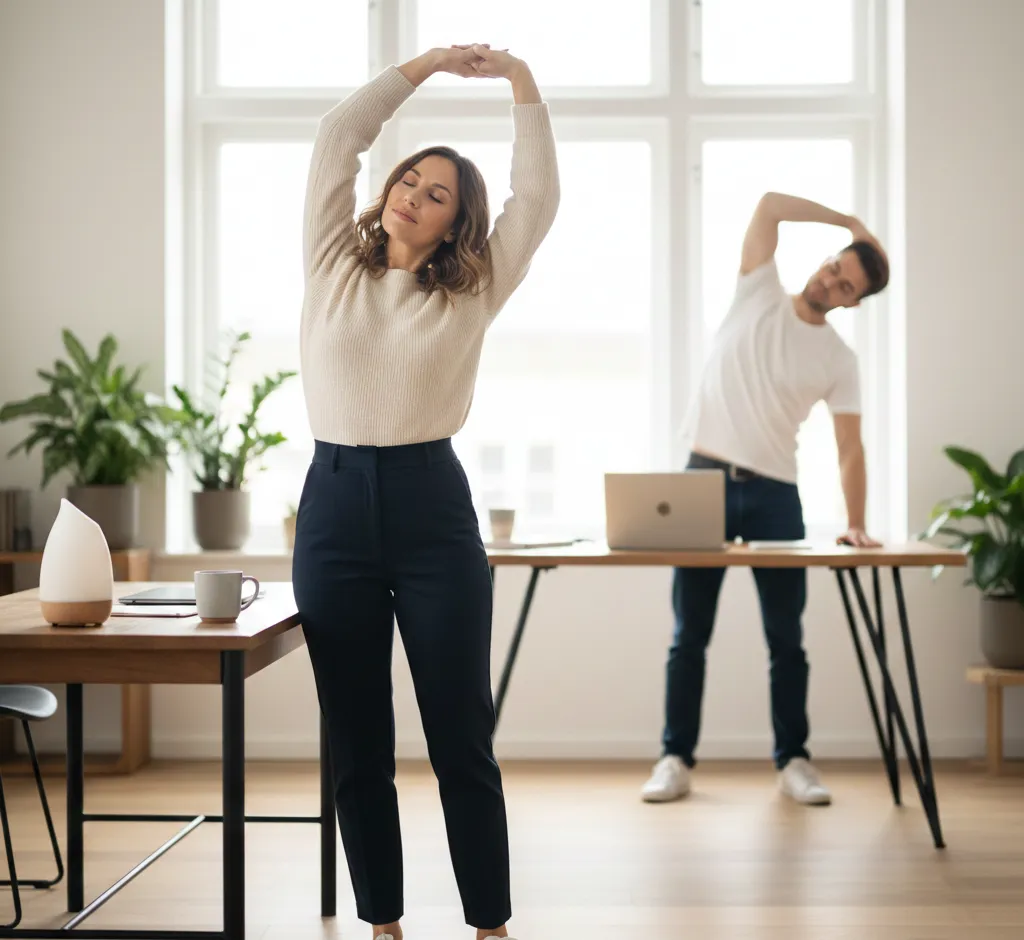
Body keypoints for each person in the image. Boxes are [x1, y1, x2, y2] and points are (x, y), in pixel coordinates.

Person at [291, 43, 558, 940]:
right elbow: (338, 136)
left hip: (431, 508)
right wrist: (429, 66)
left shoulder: (474, 289)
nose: (412, 193)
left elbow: (539, 200)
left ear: (455, 226)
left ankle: (490, 924)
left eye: (437, 193)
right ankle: (382, 923)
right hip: (330, 506)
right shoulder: (332, 262)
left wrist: (521, 83)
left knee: (459, 737)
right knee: (358, 741)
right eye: (409, 177)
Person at [641, 192, 889, 807]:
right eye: (835, 266)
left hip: (777, 496)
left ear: (853, 303)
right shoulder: (758, 290)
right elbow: (770, 206)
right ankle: (675, 757)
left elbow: (850, 448)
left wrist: (856, 523)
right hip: (704, 481)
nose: (831, 282)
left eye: (845, 286)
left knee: (786, 639)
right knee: (687, 634)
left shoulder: (839, 358)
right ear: (827, 261)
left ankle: (794, 759)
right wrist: (851, 224)